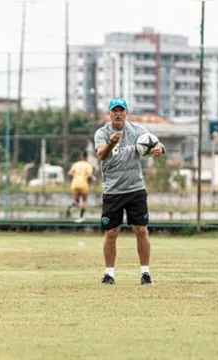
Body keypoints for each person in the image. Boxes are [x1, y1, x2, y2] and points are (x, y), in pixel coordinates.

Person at [93, 97, 165, 285]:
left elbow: (157, 144)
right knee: (111, 232)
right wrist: (110, 143)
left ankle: (145, 273)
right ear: (109, 114)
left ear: (126, 113)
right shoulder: (102, 133)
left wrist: (160, 150)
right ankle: (109, 274)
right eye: (114, 110)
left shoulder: (137, 131)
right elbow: (101, 155)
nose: (118, 113)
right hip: (113, 191)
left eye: (121, 110)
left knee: (141, 230)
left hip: (135, 189)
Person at [66, 150, 96, 223]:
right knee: (84, 201)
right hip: (83, 184)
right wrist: (93, 178)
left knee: (76, 200)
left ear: (81, 157)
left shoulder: (76, 164)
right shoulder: (88, 165)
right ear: (86, 157)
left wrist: (76, 176)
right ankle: (81, 217)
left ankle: (69, 208)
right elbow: (89, 175)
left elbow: (69, 173)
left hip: (74, 183)